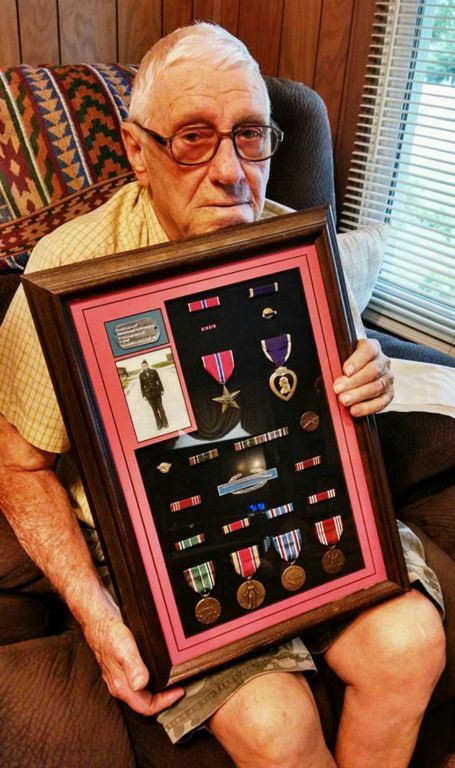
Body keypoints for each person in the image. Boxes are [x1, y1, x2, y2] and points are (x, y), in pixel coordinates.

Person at [0, 22, 445, 768]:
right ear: (138, 152)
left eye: (248, 135)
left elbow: (343, 377)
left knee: (410, 643)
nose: (232, 171)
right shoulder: (65, 270)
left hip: (306, 501)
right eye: (193, 138)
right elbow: (17, 466)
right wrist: (102, 619)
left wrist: (371, 372)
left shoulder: (295, 243)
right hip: (158, 545)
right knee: (275, 724)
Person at [139, 360, 168, 430]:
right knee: (154, 410)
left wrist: (162, 390)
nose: (145, 367)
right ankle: (159, 424)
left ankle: (165, 423)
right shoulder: (141, 375)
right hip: (149, 395)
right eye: (143, 366)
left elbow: (159, 380)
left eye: (146, 365)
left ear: (148, 365)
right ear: (142, 367)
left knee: (161, 409)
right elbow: (142, 386)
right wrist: (144, 396)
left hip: (157, 393)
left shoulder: (153, 371)